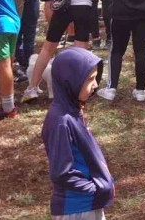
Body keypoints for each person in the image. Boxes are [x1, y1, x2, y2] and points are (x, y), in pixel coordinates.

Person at [42, 47, 114, 220]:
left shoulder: (73, 111)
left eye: (95, 78)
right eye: (89, 79)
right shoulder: (61, 121)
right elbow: (61, 172)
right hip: (77, 209)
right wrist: (95, 189)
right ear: (70, 81)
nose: (95, 85)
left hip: (88, 204)